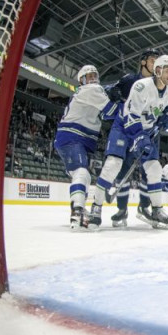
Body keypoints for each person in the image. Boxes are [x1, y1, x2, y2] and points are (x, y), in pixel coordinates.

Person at [89, 55, 168, 230]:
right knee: (113, 165)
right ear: (158, 70)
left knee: (154, 168)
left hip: (147, 129)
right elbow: (131, 115)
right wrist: (139, 137)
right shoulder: (141, 86)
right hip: (124, 127)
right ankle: (96, 208)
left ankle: (157, 210)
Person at [53, 65, 120, 230]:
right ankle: (76, 211)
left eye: (94, 76)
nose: (92, 79)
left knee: (84, 176)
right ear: (81, 81)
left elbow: (104, 114)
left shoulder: (93, 92)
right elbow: (112, 112)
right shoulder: (91, 90)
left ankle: (78, 208)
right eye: (88, 76)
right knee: (81, 172)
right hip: (73, 136)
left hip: (81, 139)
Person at [102, 49, 160, 227]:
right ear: (143, 62)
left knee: (148, 172)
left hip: (149, 132)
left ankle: (144, 208)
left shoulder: (159, 84)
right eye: (152, 60)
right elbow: (109, 91)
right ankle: (122, 210)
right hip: (129, 131)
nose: (156, 64)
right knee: (122, 171)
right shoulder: (129, 80)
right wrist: (113, 93)